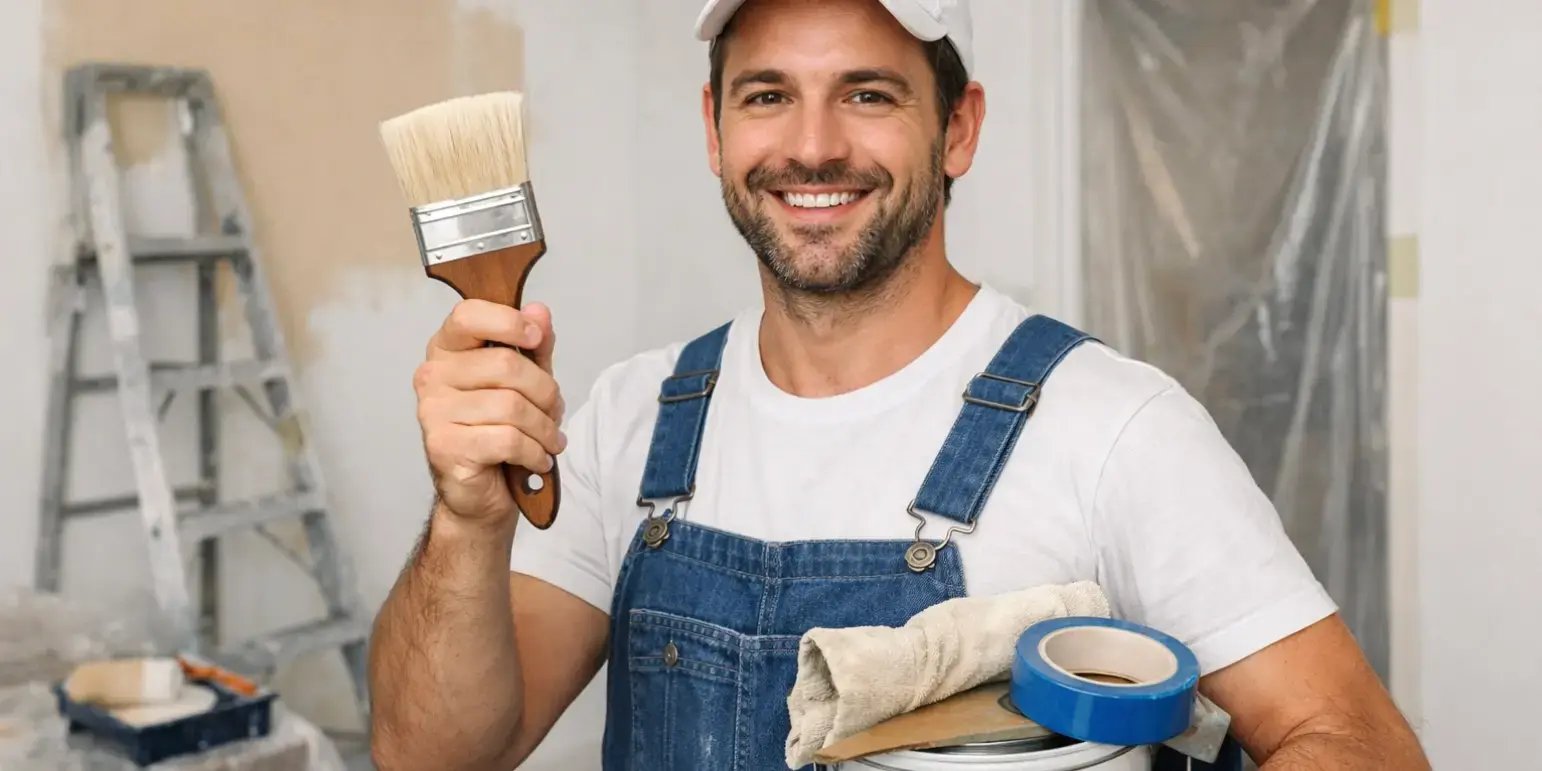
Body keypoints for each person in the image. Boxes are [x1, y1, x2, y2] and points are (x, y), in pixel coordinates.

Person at [367, 0, 1429, 768]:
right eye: (768, 95)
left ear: (957, 127)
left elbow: (1353, 742)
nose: (813, 146)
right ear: (715, 130)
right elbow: (432, 756)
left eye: (867, 94)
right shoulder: (629, 423)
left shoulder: (1115, 429)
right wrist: (468, 519)